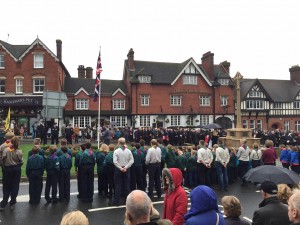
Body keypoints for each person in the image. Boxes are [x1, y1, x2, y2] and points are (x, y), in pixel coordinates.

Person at [0, 136, 23, 211]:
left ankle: (3, 203)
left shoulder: (6, 150)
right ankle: (12, 203)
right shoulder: (19, 151)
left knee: (6, 186)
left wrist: (3, 166)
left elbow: (2, 160)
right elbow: (21, 162)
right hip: (16, 169)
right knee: (15, 186)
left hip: (7, 169)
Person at [111, 137, 134, 206]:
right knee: (126, 185)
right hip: (126, 169)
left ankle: (116, 201)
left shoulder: (116, 151)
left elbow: (115, 161)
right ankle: (127, 201)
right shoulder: (128, 151)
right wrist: (126, 167)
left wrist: (121, 168)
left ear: (118, 143)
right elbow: (132, 160)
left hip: (119, 169)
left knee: (118, 185)